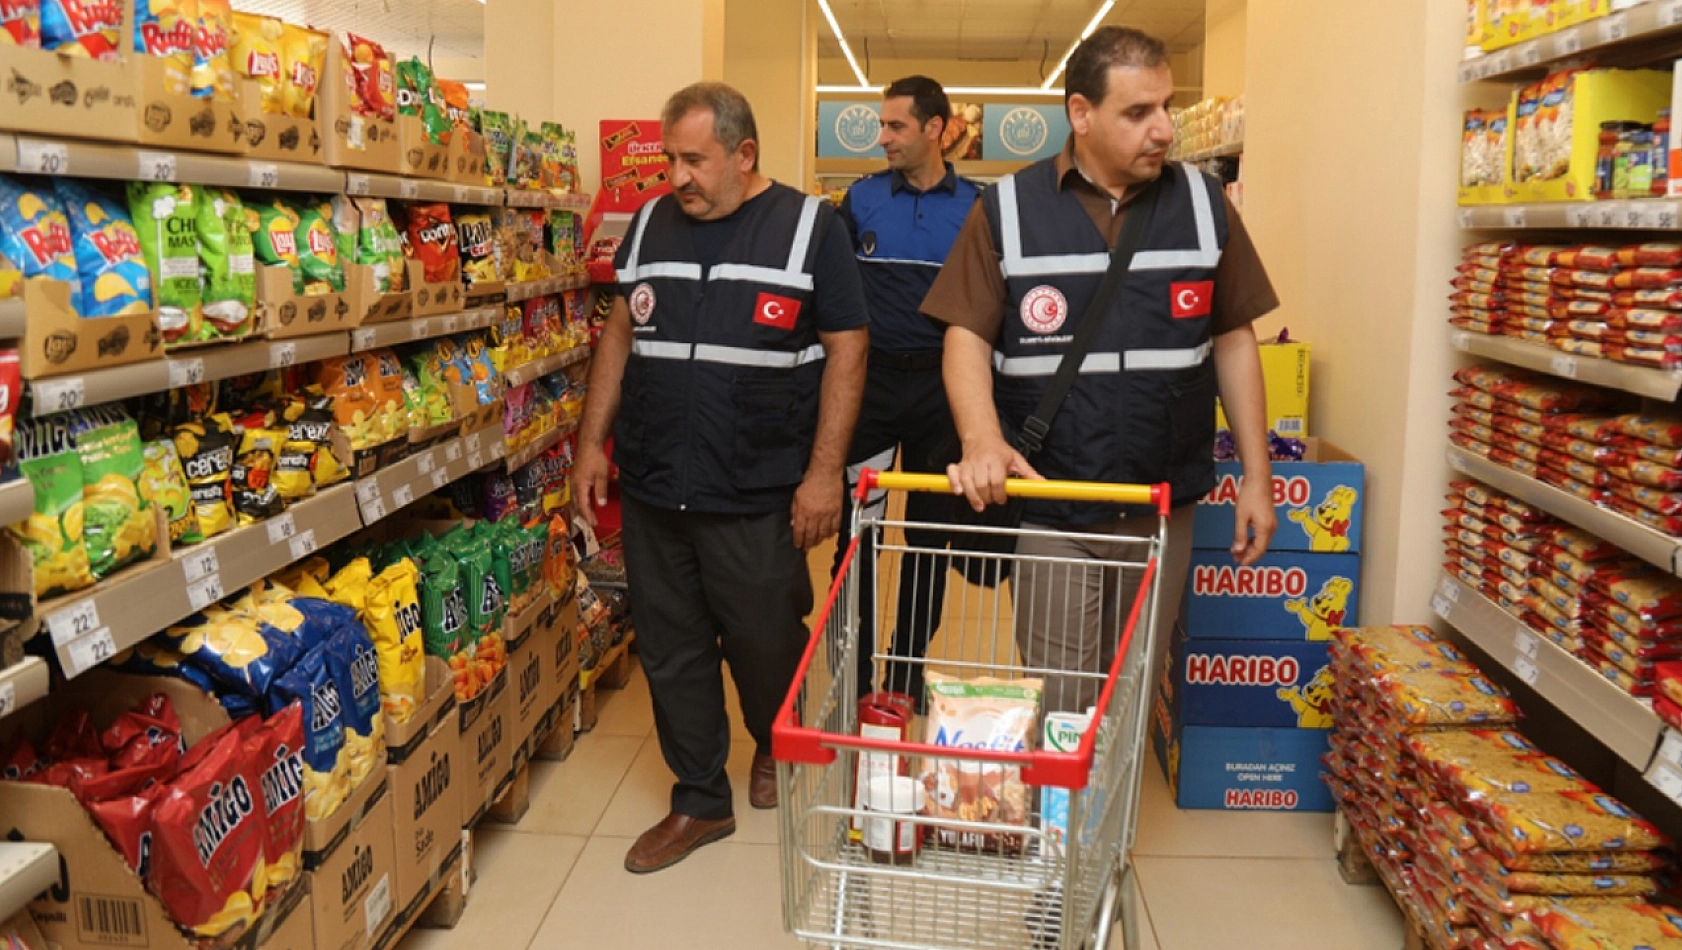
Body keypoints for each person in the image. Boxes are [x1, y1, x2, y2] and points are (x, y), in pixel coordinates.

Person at [923, 26, 1280, 715]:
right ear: (1081, 115)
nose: (1165, 130)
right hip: (1053, 500)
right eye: (1139, 113)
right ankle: (1064, 824)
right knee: (1060, 697)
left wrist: (1258, 479)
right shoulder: (1008, 209)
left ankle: (1101, 823)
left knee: (1134, 688)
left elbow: (1234, 337)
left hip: (1162, 502)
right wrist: (980, 439)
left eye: (1168, 107)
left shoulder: (1206, 207)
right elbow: (965, 333)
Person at [572, 82, 869, 874]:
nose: (676, 176)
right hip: (657, 477)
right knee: (671, 648)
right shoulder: (650, 224)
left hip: (759, 483)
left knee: (765, 637)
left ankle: (774, 739)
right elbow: (620, 333)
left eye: (693, 160)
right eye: (669, 158)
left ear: (744, 154)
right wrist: (591, 441)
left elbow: (848, 346)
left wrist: (824, 475)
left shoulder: (812, 228)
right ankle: (699, 798)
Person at [834, 76, 981, 704]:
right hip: (870, 391)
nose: (884, 137)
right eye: (882, 125)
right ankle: (856, 670)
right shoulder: (860, 200)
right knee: (859, 533)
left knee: (928, 539)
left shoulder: (978, 207)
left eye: (896, 126)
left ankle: (903, 675)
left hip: (941, 397)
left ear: (936, 129)